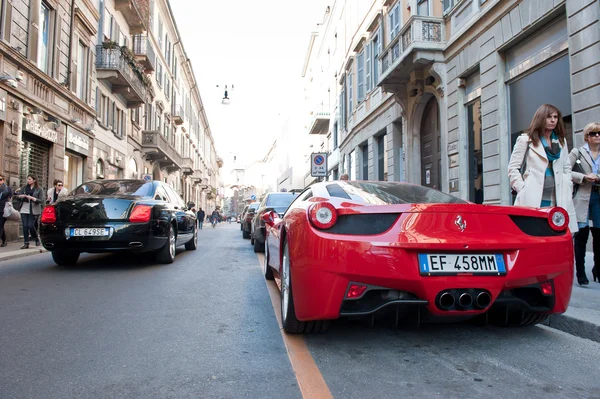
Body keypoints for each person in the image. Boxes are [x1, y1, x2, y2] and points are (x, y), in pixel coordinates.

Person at [508, 104, 577, 234]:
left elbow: (566, 167)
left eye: (555, 117)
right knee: (534, 233)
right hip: (533, 196)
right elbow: (513, 167)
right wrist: (522, 188)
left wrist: (568, 185)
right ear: (541, 118)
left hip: (558, 196)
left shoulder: (561, 141)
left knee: (557, 235)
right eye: (549, 117)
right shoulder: (525, 140)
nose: (553, 120)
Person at [571, 122, 600, 285]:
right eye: (593, 133)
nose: (597, 136)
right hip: (582, 196)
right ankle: (581, 273)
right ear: (587, 136)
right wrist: (583, 177)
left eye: (599, 133)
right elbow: (566, 170)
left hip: (598, 197)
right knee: (582, 235)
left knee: (599, 235)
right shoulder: (578, 152)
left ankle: (598, 269)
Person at [16, 174, 44, 249]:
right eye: (27, 179)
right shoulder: (24, 188)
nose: (28, 180)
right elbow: (17, 195)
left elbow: (41, 200)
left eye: (29, 179)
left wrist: (32, 198)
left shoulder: (39, 189)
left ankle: (36, 238)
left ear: (34, 180)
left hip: (33, 209)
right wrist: (20, 196)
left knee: (30, 225)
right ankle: (26, 243)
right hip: (24, 208)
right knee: (25, 226)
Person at [0, 174, 13, 247]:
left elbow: (10, 197)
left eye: (0, 180)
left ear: (3, 180)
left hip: (3, 210)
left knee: (0, 225)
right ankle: (4, 240)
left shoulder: (7, 188)